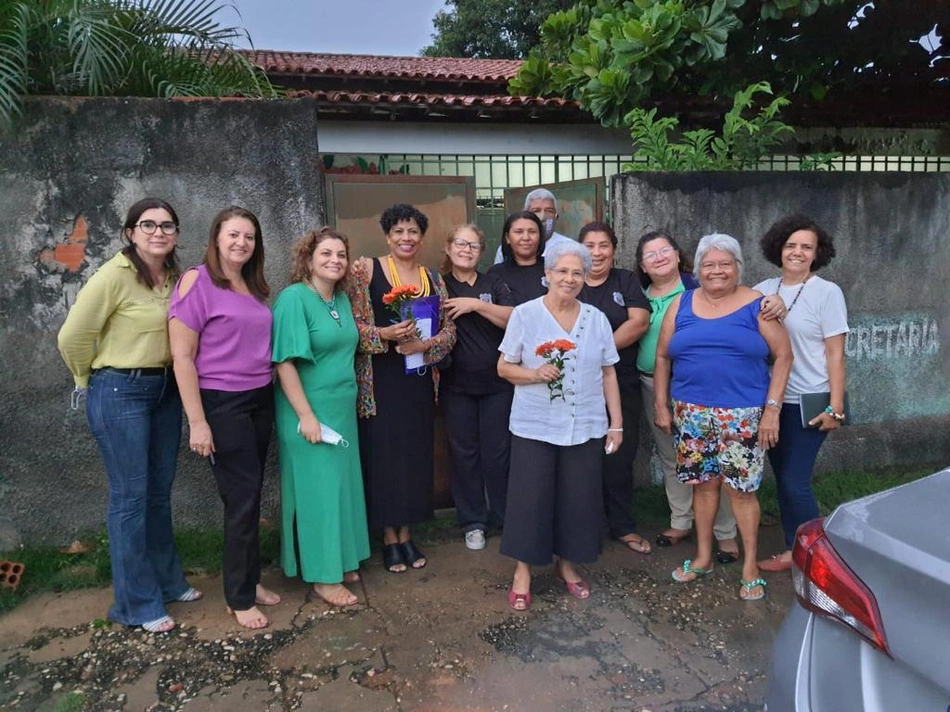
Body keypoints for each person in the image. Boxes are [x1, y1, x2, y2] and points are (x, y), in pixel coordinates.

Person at [58, 198, 201, 633]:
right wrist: (90, 378)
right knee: (130, 499)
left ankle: (167, 582)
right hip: (120, 391)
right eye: (148, 224)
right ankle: (135, 604)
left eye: (167, 226)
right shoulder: (113, 275)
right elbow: (72, 336)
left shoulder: (177, 277)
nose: (158, 232)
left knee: (159, 492)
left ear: (176, 234)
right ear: (130, 232)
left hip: (165, 390)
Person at [654, 233, 792, 602]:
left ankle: (749, 567)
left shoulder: (758, 306)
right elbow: (664, 357)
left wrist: (772, 410)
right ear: (697, 270)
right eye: (709, 265)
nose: (716, 271)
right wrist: (662, 405)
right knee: (703, 486)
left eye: (725, 264)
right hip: (691, 413)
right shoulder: (681, 304)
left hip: (743, 415)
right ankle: (702, 557)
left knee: (741, 492)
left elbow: (783, 356)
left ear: (738, 268)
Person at [168, 206, 281, 630]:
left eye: (249, 237)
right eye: (234, 235)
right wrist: (198, 422)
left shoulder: (251, 285)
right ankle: (237, 596)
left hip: (259, 398)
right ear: (216, 237)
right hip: (222, 402)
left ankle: (249, 583)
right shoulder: (196, 280)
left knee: (249, 497)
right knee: (241, 500)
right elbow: (182, 357)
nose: (241, 243)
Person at [498, 241, 623, 611]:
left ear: (585, 278)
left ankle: (566, 565)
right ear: (547, 274)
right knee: (529, 497)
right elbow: (504, 368)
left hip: (585, 422)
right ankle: (522, 570)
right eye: (562, 271)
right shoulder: (525, 314)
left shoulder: (596, 318)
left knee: (578, 497)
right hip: (535, 423)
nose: (569, 279)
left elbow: (608, 372)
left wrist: (616, 424)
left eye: (577, 273)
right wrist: (535, 373)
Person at [347, 204, 456, 573]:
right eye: (398, 232)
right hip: (380, 381)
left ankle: (407, 533)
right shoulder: (366, 271)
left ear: (421, 238)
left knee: (414, 456)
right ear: (387, 236)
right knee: (384, 457)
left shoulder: (432, 278)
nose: (405, 238)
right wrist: (384, 335)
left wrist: (426, 346)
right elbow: (353, 326)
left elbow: (449, 331)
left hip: (419, 382)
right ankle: (388, 539)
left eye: (412, 232)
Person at [271, 227, 370, 606]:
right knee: (319, 494)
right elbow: (284, 362)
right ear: (308, 259)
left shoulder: (341, 299)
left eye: (341, 254)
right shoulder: (294, 299)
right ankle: (323, 577)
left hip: (341, 410)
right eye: (326, 253)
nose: (335, 260)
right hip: (308, 412)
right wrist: (306, 415)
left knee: (341, 489)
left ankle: (341, 560)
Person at [635, 230, 740, 563]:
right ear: (642, 264)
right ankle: (681, 521)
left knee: (715, 463)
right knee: (672, 458)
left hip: (696, 388)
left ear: (679, 255)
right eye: (650, 254)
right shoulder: (639, 296)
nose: (659, 257)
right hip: (651, 383)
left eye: (664, 250)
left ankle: (725, 533)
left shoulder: (698, 290)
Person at [753, 215, 848, 573]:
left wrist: (835, 407)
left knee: (795, 481)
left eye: (806, 246)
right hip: (774, 402)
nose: (797, 252)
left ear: (817, 253)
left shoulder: (827, 292)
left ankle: (820, 556)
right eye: (791, 245)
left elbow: (835, 352)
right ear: (778, 247)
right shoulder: (762, 289)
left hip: (811, 400)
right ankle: (794, 546)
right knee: (783, 477)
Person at [577, 222, 653, 555]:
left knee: (618, 456)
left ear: (614, 249)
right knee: (581, 458)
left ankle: (622, 526)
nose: (596, 252)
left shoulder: (626, 280)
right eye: (590, 245)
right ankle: (584, 526)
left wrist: (597, 354)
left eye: (603, 245)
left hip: (620, 382)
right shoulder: (571, 280)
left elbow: (639, 321)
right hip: (577, 385)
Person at [441, 224, 515, 550]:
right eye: (460, 243)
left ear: (481, 252)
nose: (466, 250)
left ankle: (503, 516)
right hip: (456, 385)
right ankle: (473, 522)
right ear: (448, 248)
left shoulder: (493, 283)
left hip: (497, 384)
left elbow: (513, 317)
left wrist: (476, 305)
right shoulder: (438, 284)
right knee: (464, 455)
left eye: (473, 245)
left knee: (498, 454)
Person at [493, 188, 576, 264]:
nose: (542, 216)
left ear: (556, 216)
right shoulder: (510, 247)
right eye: (536, 211)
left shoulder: (569, 247)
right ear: (525, 214)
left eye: (549, 211)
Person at [487, 211, 547, 305]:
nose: (526, 238)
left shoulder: (553, 268)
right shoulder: (496, 273)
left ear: (540, 237)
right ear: (507, 238)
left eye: (532, 232)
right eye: (519, 232)